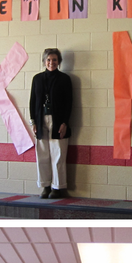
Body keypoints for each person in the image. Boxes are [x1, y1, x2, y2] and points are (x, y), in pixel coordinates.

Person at [30, 48, 73, 199]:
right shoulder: (37, 79)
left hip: (58, 121)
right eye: (48, 60)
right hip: (41, 120)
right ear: (44, 61)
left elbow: (69, 103)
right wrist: (33, 122)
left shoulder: (64, 79)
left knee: (58, 154)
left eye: (54, 60)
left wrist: (64, 123)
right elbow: (33, 101)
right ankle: (46, 186)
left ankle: (57, 187)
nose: (51, 62)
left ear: (59, 62)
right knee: (42, 155)